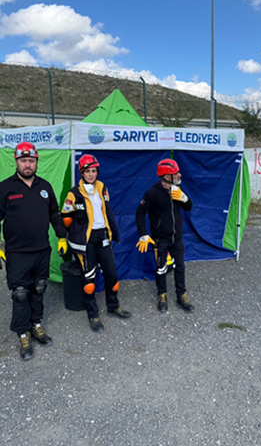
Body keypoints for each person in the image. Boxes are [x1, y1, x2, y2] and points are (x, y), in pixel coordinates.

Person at [0, 142, 68, 361]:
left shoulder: (45, 187)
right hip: (17, 252)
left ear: (37, 161)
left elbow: (55, 214)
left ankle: (36, 325)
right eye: (24, 160)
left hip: (41, 250)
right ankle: (23, 334)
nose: (28, 164)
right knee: (20, 294)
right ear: (16, 161)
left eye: (31, 160)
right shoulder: (4, 188)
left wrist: (62, 236)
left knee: (39, 289)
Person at [62, 154, 130, 333]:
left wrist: (112, 232)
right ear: (81, 173)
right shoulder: (73, 193)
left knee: (112, 276)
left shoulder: (102, 187)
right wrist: (66, 236)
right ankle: (93, 314)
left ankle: (113, 306)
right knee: (89, 280)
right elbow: (66, 218)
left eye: (93, 171)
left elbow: (106, 210)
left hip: (103, 236)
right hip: (85, 240)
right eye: (87, 171)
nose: (91, 174)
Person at [135, 158, 195, 314]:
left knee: (180, 267)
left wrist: (185, 198)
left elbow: (188, 207)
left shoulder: (177, 190)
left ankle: (182, 296)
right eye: (176, 173)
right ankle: (162, 295)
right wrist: (143, 234)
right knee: (161, 269)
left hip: (177, 239)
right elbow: (140, 213)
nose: (180, 175)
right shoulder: (152, 193)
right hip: (160, 240)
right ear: (167, 176)